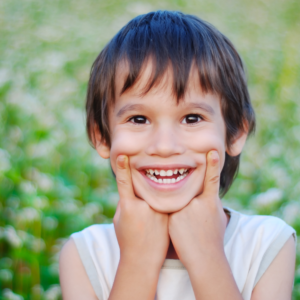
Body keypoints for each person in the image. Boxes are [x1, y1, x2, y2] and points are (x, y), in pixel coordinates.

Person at [59, 11, 296, 300]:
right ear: (101, 136)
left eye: (192, 118)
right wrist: (137, 261)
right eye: (138, 119)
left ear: (234, 134)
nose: (165, 146)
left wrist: (207, 256)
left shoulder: (267, 244)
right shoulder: (86, 255)